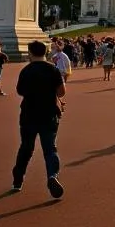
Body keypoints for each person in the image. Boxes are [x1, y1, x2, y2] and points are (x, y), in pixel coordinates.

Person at [11, 40, 67, 198]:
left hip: (29, 113)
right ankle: (52, 176)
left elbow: (20, 91)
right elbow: (61, 92)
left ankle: (18, 179)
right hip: (49, 113)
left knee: (26, 148)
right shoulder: (53, 70)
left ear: (30, 52)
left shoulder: (26, 71)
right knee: (50, 149)